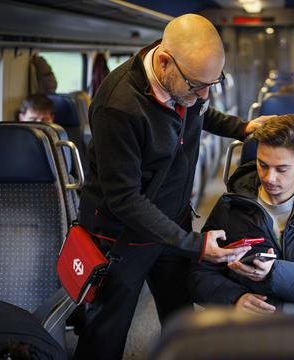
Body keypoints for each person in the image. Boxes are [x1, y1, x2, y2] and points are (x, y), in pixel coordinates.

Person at [74, 14, 270, 359]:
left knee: (181, 318)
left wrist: (242, 128)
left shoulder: (184, 76)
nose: (206, 93)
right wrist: (194, 245)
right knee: (106, 333)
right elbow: (125, 199)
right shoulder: (117, 107)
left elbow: (198, 109)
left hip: (173, 221)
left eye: (214, 82)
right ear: (164, 62)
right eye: (198, 84)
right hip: (122, 237)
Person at [188, 115, 294, 314]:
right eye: (263, 165)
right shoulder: (232, 205)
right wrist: (235, 298)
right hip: (252, 325)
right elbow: (199, 274)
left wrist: (274, 273)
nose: (269, 178)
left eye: (281, 169)